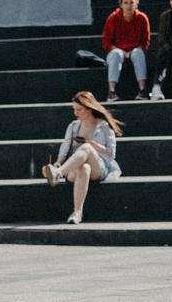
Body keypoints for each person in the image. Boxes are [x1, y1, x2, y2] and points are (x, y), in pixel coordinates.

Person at [42, 92, 124, 224]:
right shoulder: (73, 126)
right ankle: (77, 213)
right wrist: (58, 162)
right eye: (74, 109)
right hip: (75, 168)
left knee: (86, 148)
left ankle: (57, 174)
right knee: (84, 168)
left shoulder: (103, 126)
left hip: (99, 167)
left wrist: (91, 143)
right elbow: (65, 148)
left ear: (89, 109)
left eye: (79, 110)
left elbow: (111, 153)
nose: (75, 113)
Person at [101, 0, 152, 101]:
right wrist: (123, 52)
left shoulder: (142, 18)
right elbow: (106, 42)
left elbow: (145, 41)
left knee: (138, 53)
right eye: (126, 3)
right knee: (116, 54)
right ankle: (111, 92)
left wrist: (134, 50)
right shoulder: (113, 18)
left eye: (131, 2)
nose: (129, 6)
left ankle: (142, 90)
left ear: (136, 4)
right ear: (121, 4)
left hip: (135, 50)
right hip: (117, 50)